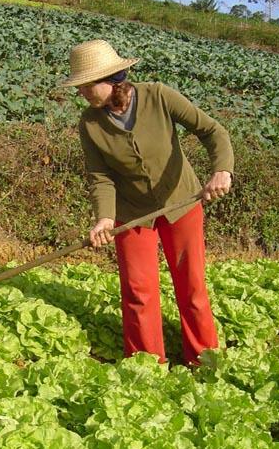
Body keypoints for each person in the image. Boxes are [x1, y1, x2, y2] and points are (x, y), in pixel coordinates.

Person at [61, 39, 234, 365]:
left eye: (86, 86)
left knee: (192, 286)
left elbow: (212, 131)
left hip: (182, 203)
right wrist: (105, 219)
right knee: (138, 291)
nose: (82, 93)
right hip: (132, 212)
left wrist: (222, 170)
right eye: (79, 87)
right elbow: (100, 177)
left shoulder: (158, 95)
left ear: (111, 79)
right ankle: (147, 367)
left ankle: (204, 360)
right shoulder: (90, 123)